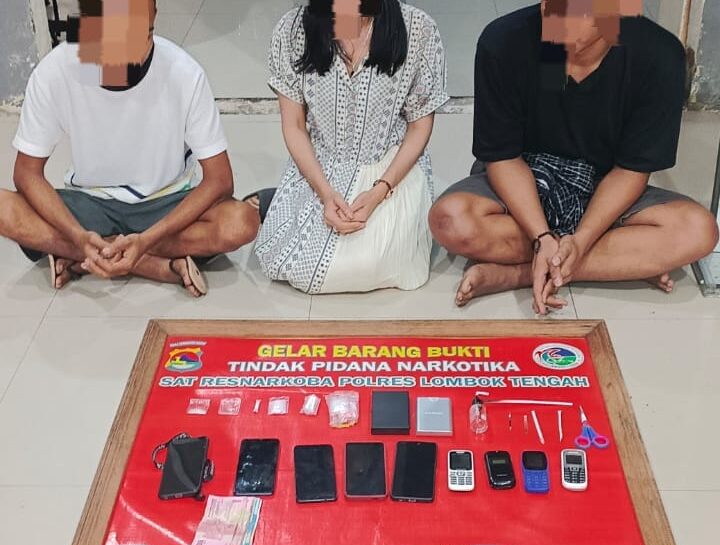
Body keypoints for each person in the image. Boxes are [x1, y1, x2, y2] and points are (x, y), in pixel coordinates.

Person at [429, 0, 719, 313]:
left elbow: (629, 171)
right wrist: (541, 237)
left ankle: (517, 274)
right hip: (527, 180)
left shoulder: (658, 55)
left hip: (605, 186)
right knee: (451, 220)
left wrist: (581, 241)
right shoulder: (504, 41)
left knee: (698, 231)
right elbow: (504, 159)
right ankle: (619, 262)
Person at [0, 0, 259, 297]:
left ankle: (88, 257)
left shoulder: (184, 72)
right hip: (90, 202)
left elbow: (220, 180)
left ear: (154, 16)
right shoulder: (56, 70)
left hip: (165, 201)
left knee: (241, 223)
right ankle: (149, 265)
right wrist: (78, 235)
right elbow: (27, 173)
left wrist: (147, 239)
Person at [254, 0, 448, 294]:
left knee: (368, 263)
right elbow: (294, 126)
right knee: (287, 262)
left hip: (390, 167)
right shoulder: (292, 30)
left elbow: (419, 128)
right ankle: (279, 198)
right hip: (319, 168)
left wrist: (380, 190)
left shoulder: (418, 28)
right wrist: (325, 193)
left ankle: (271, 200)